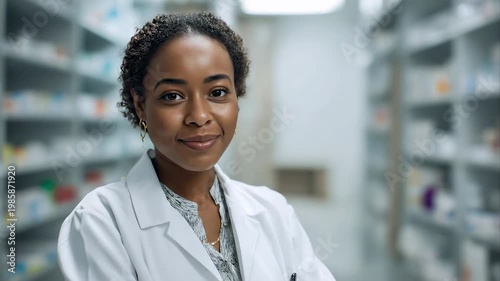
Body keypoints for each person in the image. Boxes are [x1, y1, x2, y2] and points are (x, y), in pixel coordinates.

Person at [57, 11, 336, 281]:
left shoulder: (273, 210)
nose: (200, 116)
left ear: (237, 96)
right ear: (141, 105)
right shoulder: (100, 221)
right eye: (172, 96)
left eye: (217, 93)